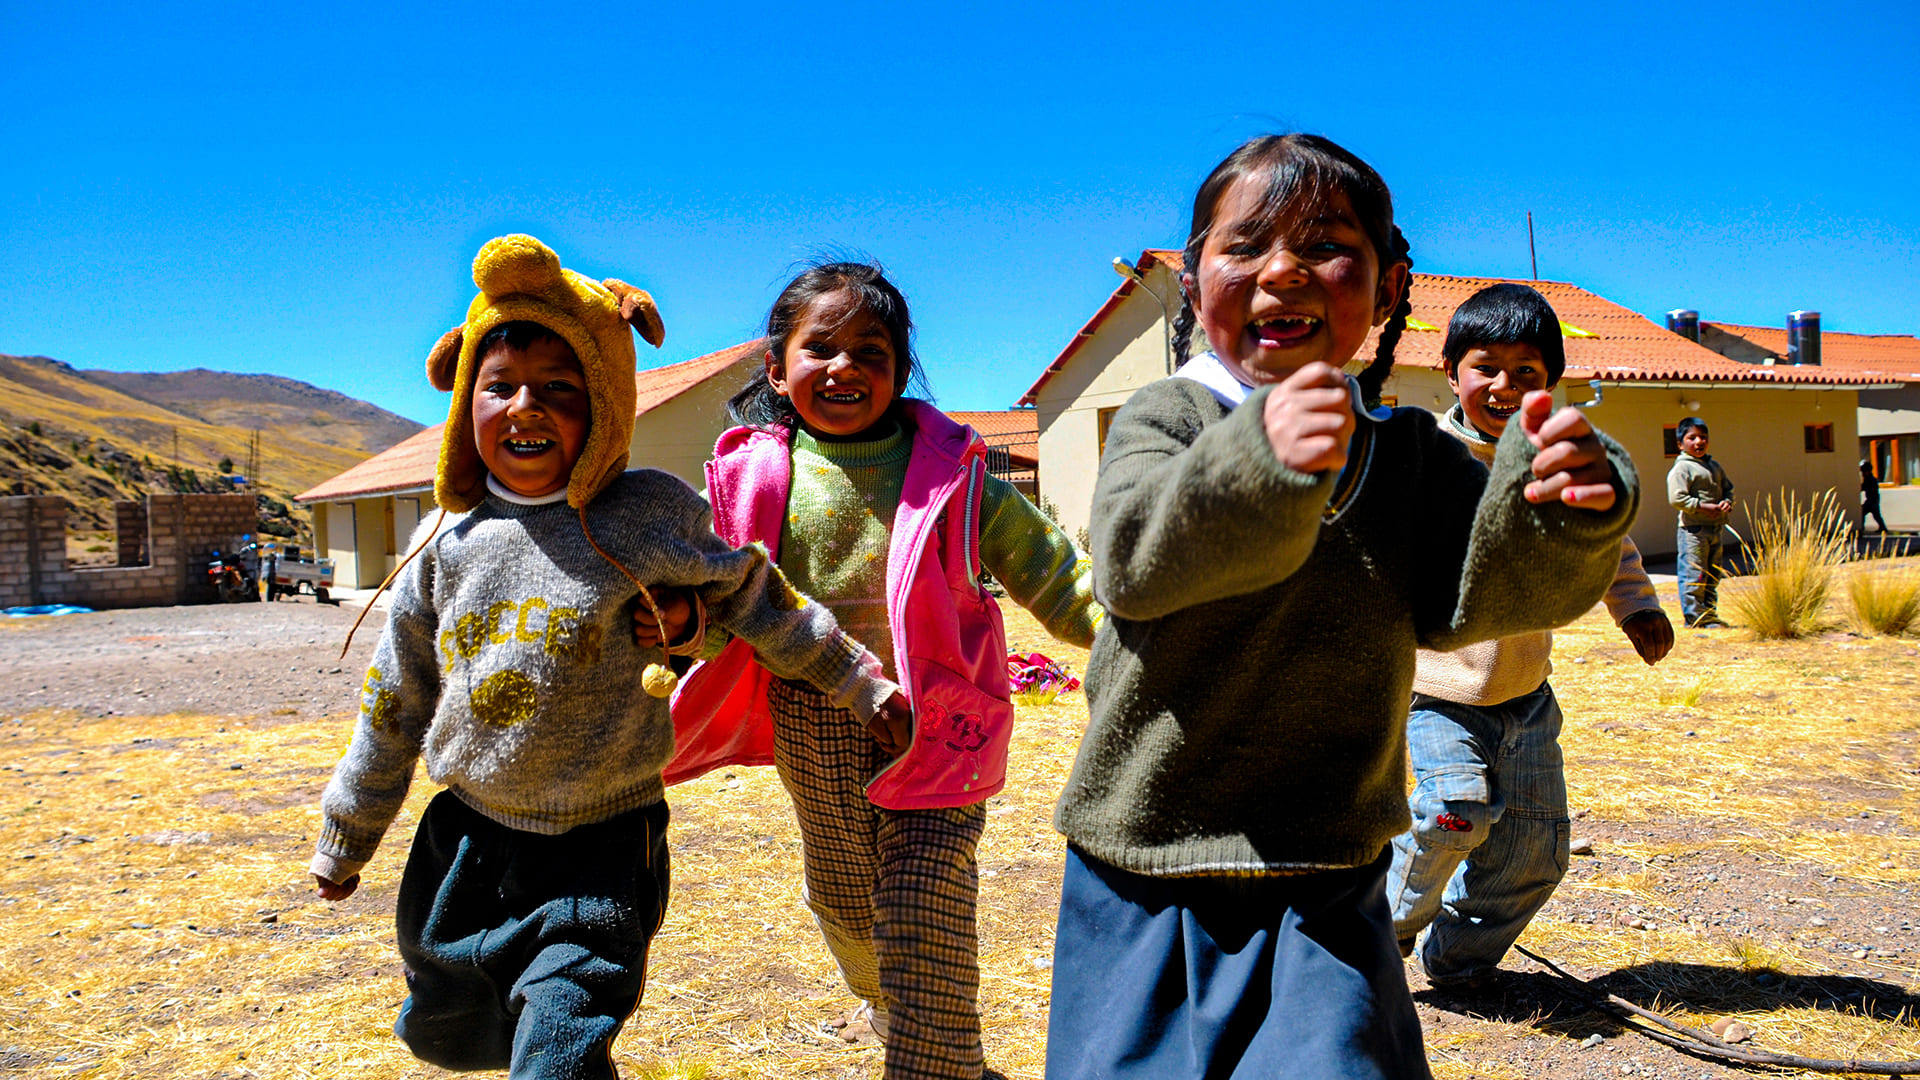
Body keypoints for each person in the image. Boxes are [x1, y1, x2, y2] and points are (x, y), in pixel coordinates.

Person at [1046, 133, 1641, 1080]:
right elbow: (1134, 565)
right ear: (1195, 281)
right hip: (1146, 864)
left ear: (1390, 286)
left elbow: (1475, 598)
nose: (1284, 270)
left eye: (1327, 245)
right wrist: (1259, 461)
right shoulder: (1168, 418)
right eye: (1244, 247)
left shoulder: (1408, 454)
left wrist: (1570, 517)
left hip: (1327, 870)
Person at [308, 235, 908, 1080]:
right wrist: (348, 833)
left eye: (560, 388)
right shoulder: (444, 544)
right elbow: (394, 701)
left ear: (606, 403)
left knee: (562, 1033)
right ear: (464, 405)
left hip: (603, 842)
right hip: (469, 838)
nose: (526, 407)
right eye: (500, 386)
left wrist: (857, 679)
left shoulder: (645, 515)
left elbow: (755, 597)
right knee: (455, 1026)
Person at [662, 261, 1100, 1080]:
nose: (845, 367)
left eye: (872, 350)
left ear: (900, 368)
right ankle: (885, 995)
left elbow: (1055, 572)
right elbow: (719, 606)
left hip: (941, 720)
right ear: (776, 368)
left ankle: (937, 1060)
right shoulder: (749, 483)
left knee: (926, 897)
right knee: (847, 899)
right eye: (819, 347)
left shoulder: (957, 476)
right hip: (813, 712)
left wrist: (1124, 641)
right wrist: (670, 628)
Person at [1387, 283, 1675, 989]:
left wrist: (1636, 607)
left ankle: (1458, 963)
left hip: (1524, 698)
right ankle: (1372, 929)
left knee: (1536, 854)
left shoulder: (1560, 460)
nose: (1504, 386)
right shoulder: (1419, 456)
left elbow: (1605, 538)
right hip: (1436, 692)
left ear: (1552, 385)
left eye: (1527, 373)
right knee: (1455, 812)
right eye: (1486, 366)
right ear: (1450, 372)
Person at [1666, 416, 1733, 627]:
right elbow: (1677, 498)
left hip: (1715, 528)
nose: (1698, 442)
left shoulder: (1714, 466)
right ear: (1680, 444)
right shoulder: (1682, 469)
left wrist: (1726, 502)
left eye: (1703, 437)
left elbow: (1728, 489)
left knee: (1712, 574)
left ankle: (1709, 615)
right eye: (1691, 437)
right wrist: (1703, 507)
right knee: (1694, 573)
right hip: (1693, 531)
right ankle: (1694, 618)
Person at [1863, 458, 1890, 535]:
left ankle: (1883, 528)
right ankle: (1883, 528)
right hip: (1873, 499)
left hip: (1872, 500)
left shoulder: (1870, 479)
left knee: (1868, 513)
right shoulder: (1869, 478)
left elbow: (1866, 487)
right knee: (1876, 515)